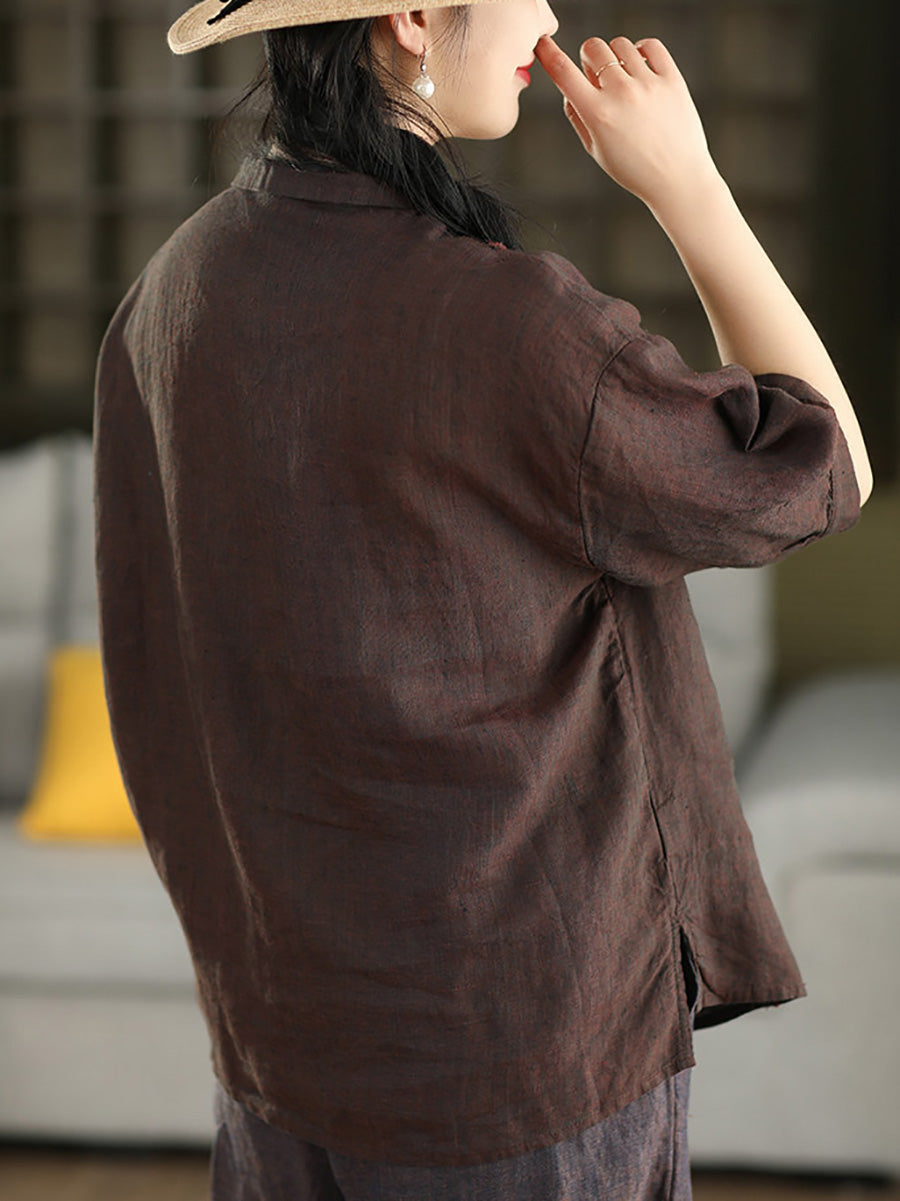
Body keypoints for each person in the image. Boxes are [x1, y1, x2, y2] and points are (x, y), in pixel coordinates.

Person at [92, 1, 873, 1198]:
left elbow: (155, 676)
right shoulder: (516, 326)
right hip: (515, 1066)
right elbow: (822, 470)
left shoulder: (171, 293)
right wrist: (689, 186)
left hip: (280, 1051)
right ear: (413, 17)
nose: (549, 15)